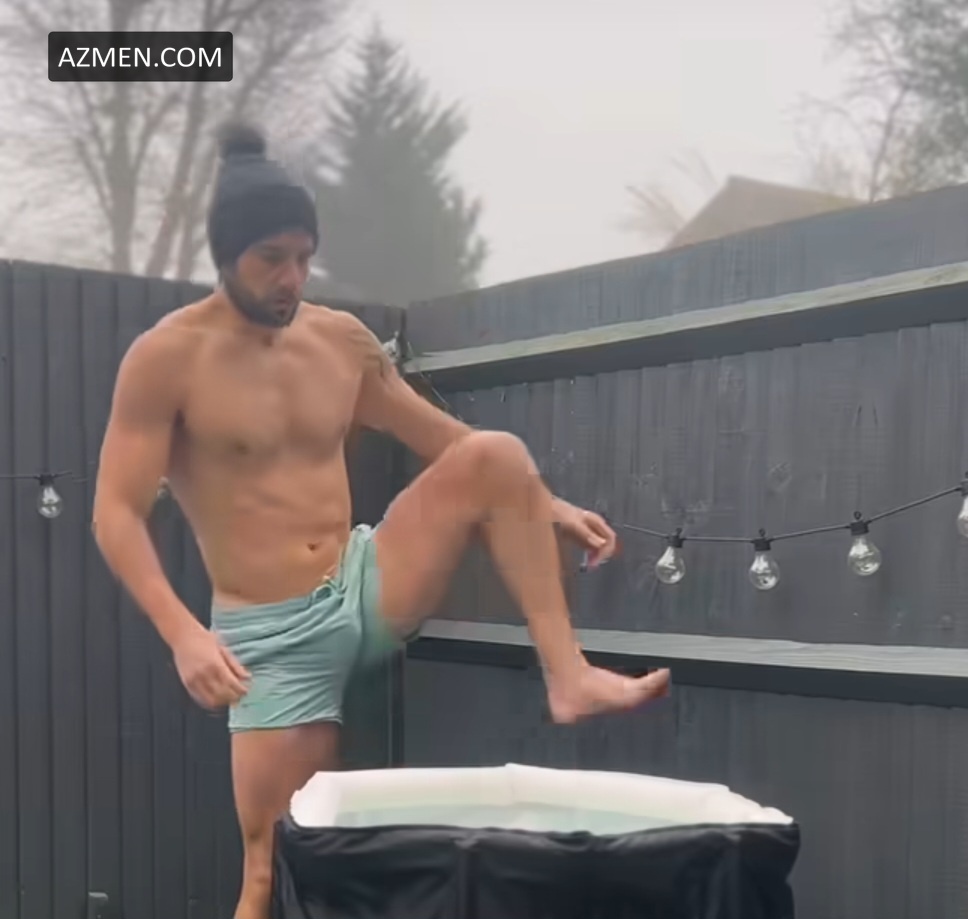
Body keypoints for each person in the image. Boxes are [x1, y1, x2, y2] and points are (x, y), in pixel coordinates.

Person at [91, 122, 672, 919]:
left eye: (304, 257)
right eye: (272, 258)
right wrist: (183, 633)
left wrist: (544, 503)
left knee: (497, 452)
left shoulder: (340, 341)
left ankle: (568, 676)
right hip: (272, 641)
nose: (292, 278)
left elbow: (443, 439)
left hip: (364, 582)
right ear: (227, 255)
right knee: (274, 866)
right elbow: (115, 512)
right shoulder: (166, 359)